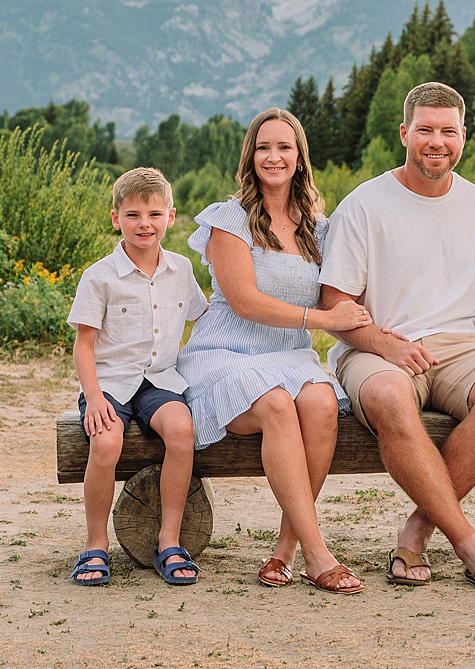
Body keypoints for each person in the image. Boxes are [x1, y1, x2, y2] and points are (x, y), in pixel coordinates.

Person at [318, 82, 475, 592]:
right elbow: (334, 304)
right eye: (425, 130)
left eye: (448, 131)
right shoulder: (365, 205)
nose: (437, 142)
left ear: (464, 136)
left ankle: (418, 528)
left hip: (462, 344)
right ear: (404, 133)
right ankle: (468, 542)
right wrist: (383, 344)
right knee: (390, 395)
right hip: (377, 342)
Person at [177, 108, 372, 594]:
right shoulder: (229, 219)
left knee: (323, 404)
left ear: (300, 158)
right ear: (250, 156)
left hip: (290, 353)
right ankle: (318, 554)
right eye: (264, 147)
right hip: (228, 351)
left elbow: (353, 286)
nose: (274, 156)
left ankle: (286, 549)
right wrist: (325, 321)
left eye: (284, 147)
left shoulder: (319, 228)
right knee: (279, 405)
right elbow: (244, 302)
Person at [67, 167, 207, 586]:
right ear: (116, 218)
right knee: (107, 440)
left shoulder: (181, 269)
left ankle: (168, 540)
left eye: (153, 214)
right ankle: (95, 546)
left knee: (182, 431)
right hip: (109, 383)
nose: (144, 224)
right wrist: (93, 399)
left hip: (161, 381)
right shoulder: (99, 277)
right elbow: (84, 346)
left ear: (170, 215)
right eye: (133, 215)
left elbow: (204, 317)